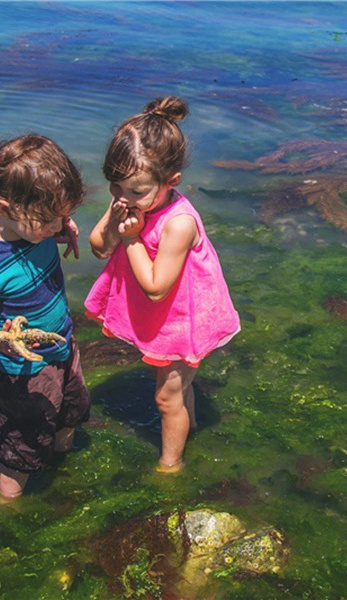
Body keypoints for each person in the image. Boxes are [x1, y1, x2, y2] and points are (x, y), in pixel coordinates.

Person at [85, 96, 240, 474]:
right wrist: (117, 223)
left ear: (171, 182)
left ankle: (170, 468)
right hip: (162, 314)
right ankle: (192, 426)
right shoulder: (129, 197)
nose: (124, 197)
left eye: (136, 191)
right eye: (115, 187)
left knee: (166, 397)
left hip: (183, 317)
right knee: (176, 388)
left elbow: (156, 287)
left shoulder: (179, 223)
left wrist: (134, 240)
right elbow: (99, 248)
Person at [0, 133, 90, 501]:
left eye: (63, 215)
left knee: (71, 411)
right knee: (24, 443)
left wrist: (61, 230)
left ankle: (63, 467)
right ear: (6, 207)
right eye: (50, 219)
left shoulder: (34, 228)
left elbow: (44, 230)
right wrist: (1, 339)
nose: (58, 224)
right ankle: (8, 507)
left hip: (63, 345)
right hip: (22, 371)